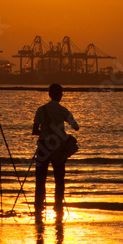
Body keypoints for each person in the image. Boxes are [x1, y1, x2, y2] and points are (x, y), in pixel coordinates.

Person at [32, 83, 79, 212]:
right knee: (59, 177)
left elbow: (35, 130)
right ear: (60, 95)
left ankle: (39, 205)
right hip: (58, 147)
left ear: (49, 94)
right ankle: (58, 205)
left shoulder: (41, 110)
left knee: (40, 177)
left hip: (43, 146)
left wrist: (44, 131)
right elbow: (76, 126)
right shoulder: (63, 110)